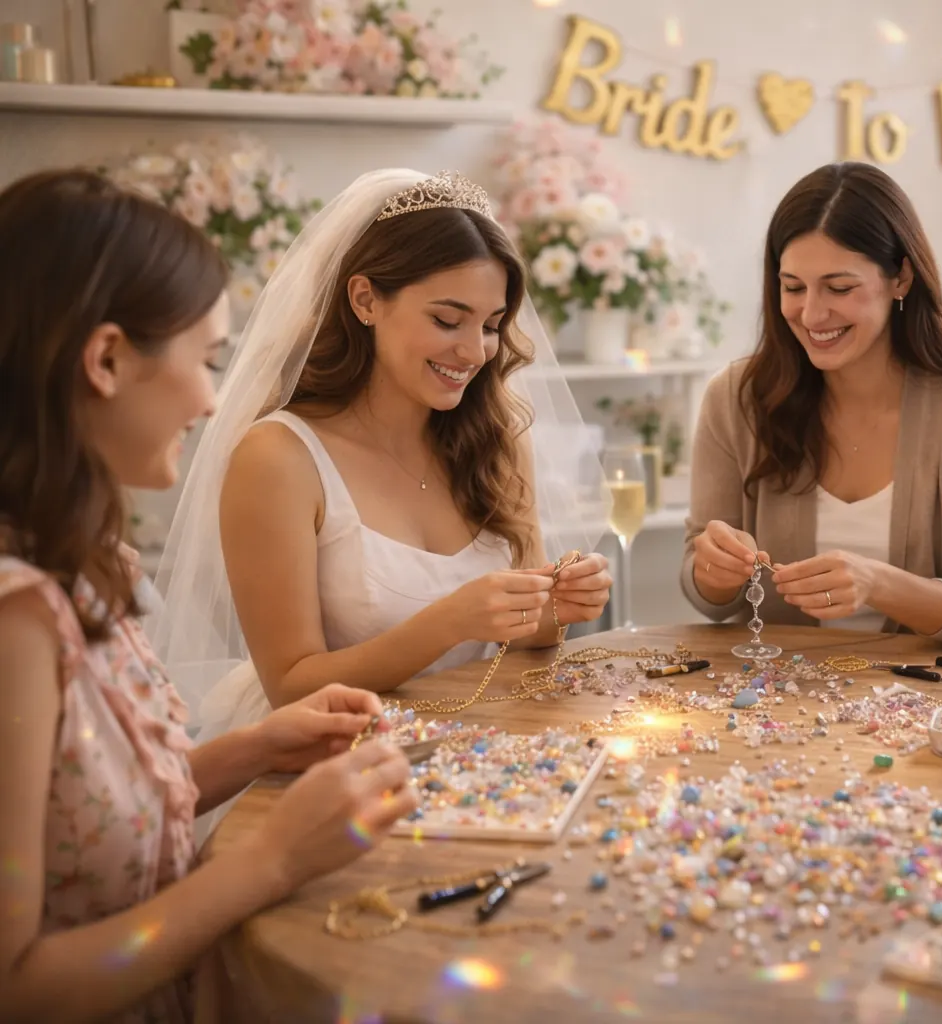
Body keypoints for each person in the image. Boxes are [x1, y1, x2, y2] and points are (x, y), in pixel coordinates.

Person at [0, 169, 417, 1022]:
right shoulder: (16, 620)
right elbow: (17, 986)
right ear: (107, 359)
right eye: (206, 358)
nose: (213, 397)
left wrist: (256, 747)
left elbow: (76, 825)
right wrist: (271, 862)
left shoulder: (75, 563)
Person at [150, 169, 612, 746]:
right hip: (329, 758)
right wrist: (451, 621)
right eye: (447, 320)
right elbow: (290, 687)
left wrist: (560, 605)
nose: (474, 352)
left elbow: (524, 637)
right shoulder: (279, 458)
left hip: (481, 744)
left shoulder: (496, 436)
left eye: (492, 326)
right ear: (366, 300)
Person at [683, 162, 942, 646]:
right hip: (787, 697)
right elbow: (705, 598)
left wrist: (878, 584)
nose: (811, 313)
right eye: (793, 287)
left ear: (901, 278)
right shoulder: (736, 399)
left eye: (839, 288)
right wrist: (713, 571)